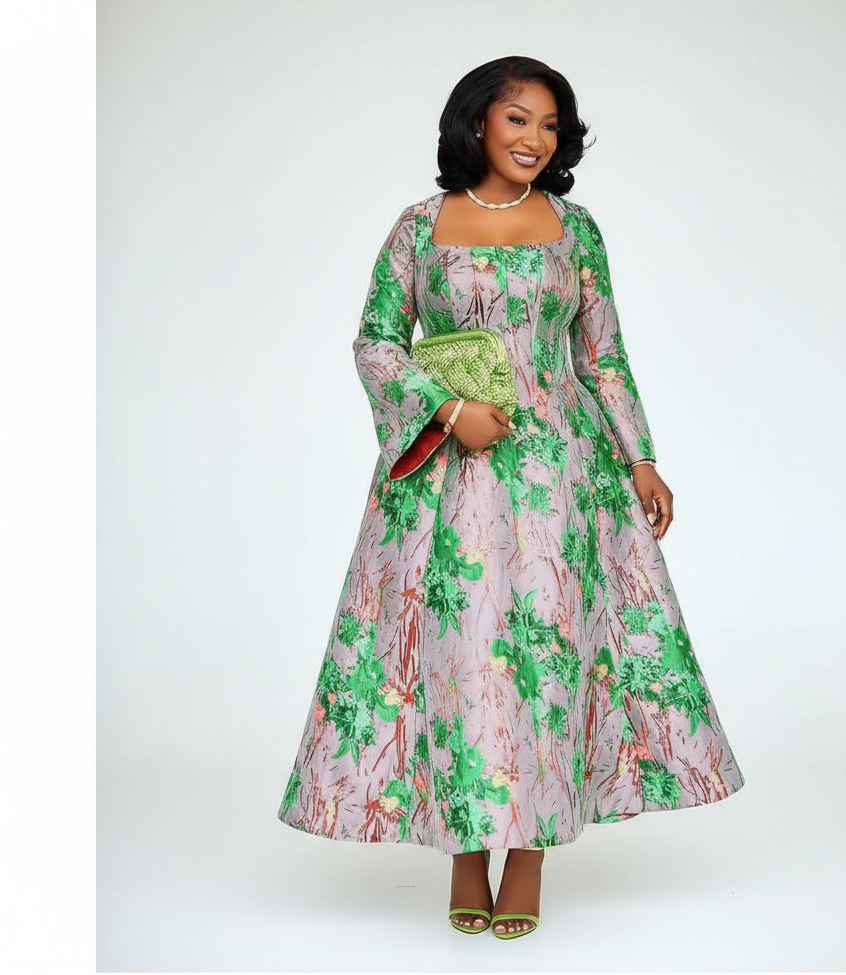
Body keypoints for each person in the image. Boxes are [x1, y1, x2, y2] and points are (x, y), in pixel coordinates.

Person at [277, 55, 746, 939]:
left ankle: (527, 854)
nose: (536, 138)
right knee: (458, 654)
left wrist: (641, 458)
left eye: (551, 125)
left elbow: (602, 355)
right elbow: (377, 342)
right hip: (447, 482)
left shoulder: (576, 231)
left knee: (549, 653)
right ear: (477, 123)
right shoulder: (419, 226)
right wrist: (448, 409)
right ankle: (464, 850)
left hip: (561, 478)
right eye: (518, 119)